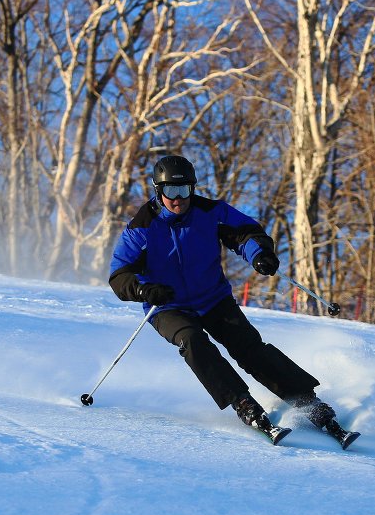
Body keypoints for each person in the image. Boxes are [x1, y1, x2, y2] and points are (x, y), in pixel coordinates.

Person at [107, 154, 359, 449]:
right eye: (171, 192)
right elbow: (119, 275)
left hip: (213, 298)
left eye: (184, 190)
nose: (178, 199)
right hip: (168, 306)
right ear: (158, 191)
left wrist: (259, 254)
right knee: (192, 341)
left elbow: (245, 233)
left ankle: (307, 401)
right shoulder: (142, 227)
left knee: (249, 347)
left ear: (193, 188)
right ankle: (242, 403)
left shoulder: (209, 212)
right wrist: (144, 291)